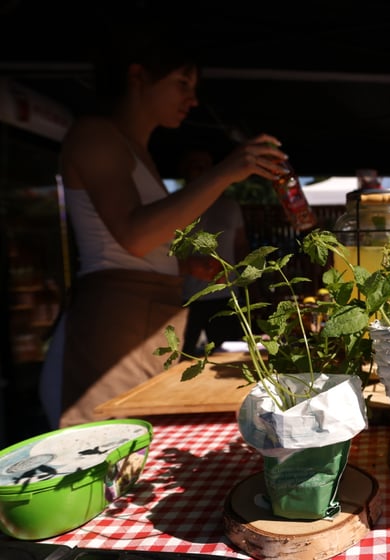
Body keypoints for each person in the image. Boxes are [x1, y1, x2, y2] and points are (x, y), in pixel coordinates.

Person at [38, 24, 287, 428]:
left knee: (141, 444)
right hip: (111, 325)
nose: (192, 99)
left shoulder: (137, 152)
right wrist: (226, 172)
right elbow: (133, 237)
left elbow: (139, 244)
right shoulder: (95, 135)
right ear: (138, 77)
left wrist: (183, 266)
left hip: (149, 318)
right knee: (109, 450)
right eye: (181, 82)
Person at [178, 149, 249, 354]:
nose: (200, 170)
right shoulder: (175, 205)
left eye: (206, 165)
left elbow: (241, 247)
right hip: (186, 297)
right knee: (180, 358)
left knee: (228, 359)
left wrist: (249, 287)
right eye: (194, 164)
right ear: (183, 170)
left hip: (225, 296)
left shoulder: (230, 206)